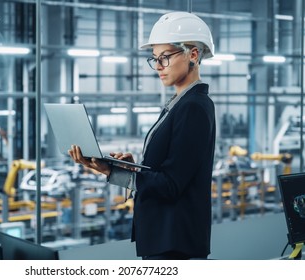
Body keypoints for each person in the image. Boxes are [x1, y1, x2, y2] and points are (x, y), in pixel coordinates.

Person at [68, 11, 216, 260]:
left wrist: (113, 172)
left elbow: (171, 184)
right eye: (155, 59)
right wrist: (133, 167)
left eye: (165, 57)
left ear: (193, 54)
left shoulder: (193, 107)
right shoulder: (180, 103)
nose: (158, 66)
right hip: (165, 240)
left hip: (174, 244)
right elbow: (169, 169)